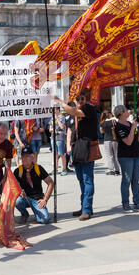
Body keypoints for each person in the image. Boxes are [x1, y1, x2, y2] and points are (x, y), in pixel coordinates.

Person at [55, 92, 99, 221]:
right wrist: (68, 145)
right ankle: (85, 206)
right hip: (76, 148)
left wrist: (60, 103)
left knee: (87, 179)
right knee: (80, 179)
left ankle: (86, 209)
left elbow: (76, 112)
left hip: (87, 147)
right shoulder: (71, 114)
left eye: (82, 98)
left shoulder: (88, 109)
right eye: (78, 99)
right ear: (74, 100)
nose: (80, 101)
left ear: (86, 99)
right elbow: (69, 130)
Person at [114, 105, 139, 213]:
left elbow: (137, 139)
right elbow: (128, 142)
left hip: (136, 154)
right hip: (126, 156)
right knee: (126, 180)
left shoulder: (130, 124)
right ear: (121, 113)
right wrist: (133, 128)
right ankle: (126, 204)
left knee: (135, 181)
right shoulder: (118, 127)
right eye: (126, 110)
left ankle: (137, 203)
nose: (128, 112)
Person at [14, 145, 54, 224]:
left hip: (37, 198)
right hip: (24, 198)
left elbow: (51, 183)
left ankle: (37, 214)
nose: (24, 158)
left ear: (32, 158)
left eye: (27, 156)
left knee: (45, 220)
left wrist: (45, 199)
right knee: (17, 201)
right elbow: (13, 186)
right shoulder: (18, 171)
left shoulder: (38, 168)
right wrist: (19, 191)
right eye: (23, 156)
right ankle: (24, 214)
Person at [100, 110, 121, 176]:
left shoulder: (102, 123)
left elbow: (101, 132)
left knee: (109, 155)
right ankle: (117, 170)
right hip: (115, 140)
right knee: (116, 155)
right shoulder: (114, 121)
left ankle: (111, 169)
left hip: (107, 140)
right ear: (109, 114)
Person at [49, 108, 67, 175]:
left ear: (58, 110)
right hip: (53, 137)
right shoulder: (52, 118)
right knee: (55, 154)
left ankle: (64, 169)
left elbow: (62, 126)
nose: (53, 111)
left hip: (60, 137)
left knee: (62, 154)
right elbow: (50, 128)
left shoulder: (62, 117)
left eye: (54, 110)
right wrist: (52, 130)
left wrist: (57, 118)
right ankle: (55, 169)